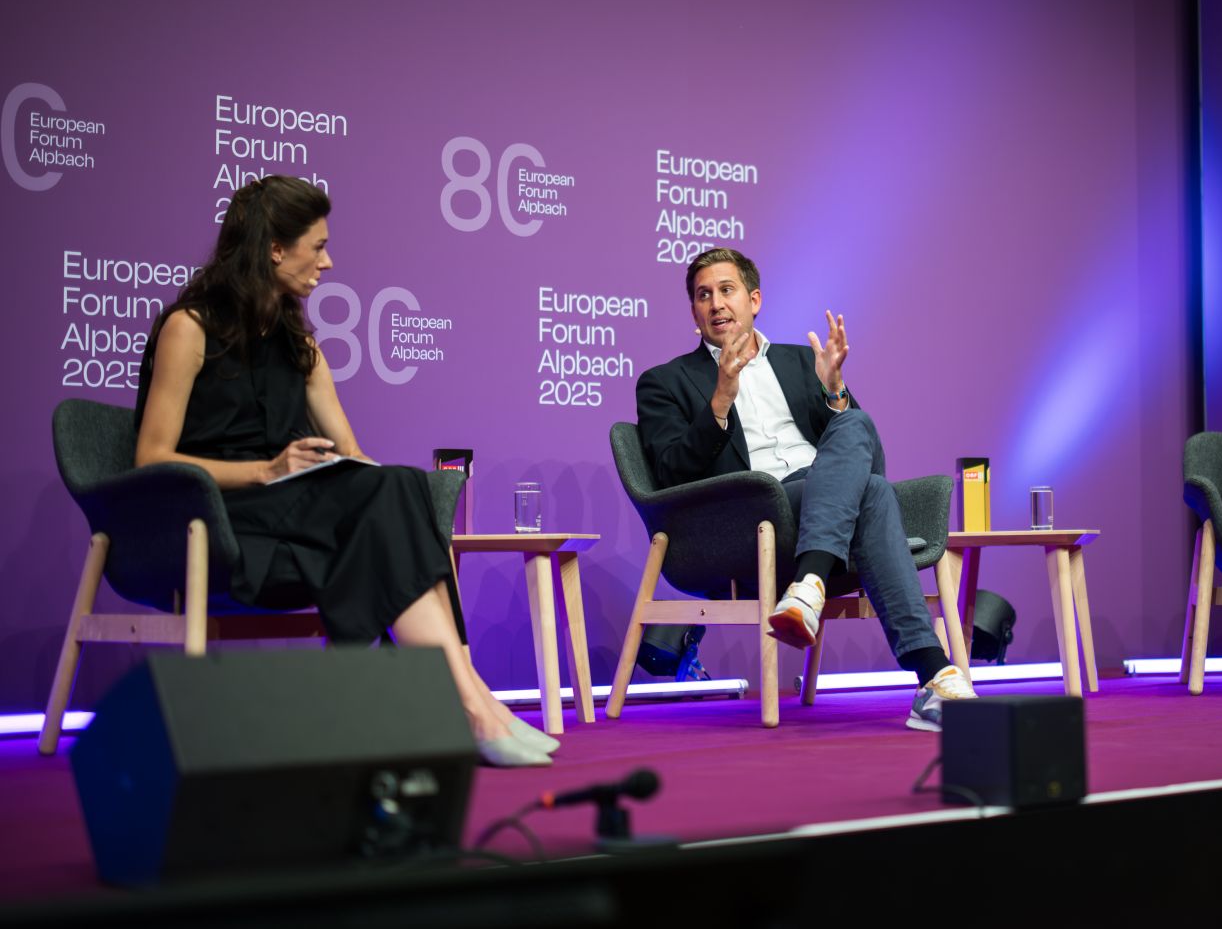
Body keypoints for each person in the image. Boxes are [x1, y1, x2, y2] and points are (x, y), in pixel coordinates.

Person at [134, 175, 555, 767]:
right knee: (395, 498)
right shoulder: (191, 327)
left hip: (296, 511)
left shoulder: (300, 346)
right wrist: (265, 470)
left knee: (401, 489)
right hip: (224, 517)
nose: (328, 262)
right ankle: (470, 704)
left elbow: (354, 454)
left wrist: (379, 499)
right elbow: (152, 457)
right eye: (318, 246)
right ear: (274, 249)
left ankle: (474, 701)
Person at [635, 247, 975, 730]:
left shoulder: (799, 362)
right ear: (693, 311)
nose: (716, 304)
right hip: (749, 515)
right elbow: (671, 473)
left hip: (819, 501)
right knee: (873, 494)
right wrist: (719, 403)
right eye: (703, 295)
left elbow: (864, 455)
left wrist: (834, 390)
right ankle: (933, 673)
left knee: (857, 432)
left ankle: (813, 589)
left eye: (727, 290)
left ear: (754, 300)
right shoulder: (665, 382)